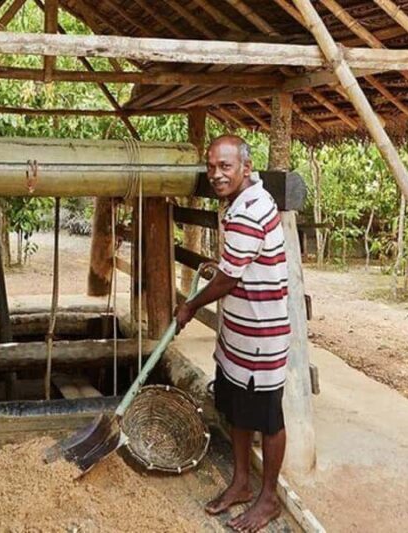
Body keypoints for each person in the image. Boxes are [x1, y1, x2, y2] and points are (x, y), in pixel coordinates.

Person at [175, 135, 289, 533]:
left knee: (268, 419)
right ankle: (241, 482)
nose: (216, 174)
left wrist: (190, 306)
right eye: (211, 167)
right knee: (238, 408)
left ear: (245, 166)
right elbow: (236, 264)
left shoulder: (249, 211)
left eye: (225, 166)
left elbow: (228, 279)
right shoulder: (242, 201)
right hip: (238, 332)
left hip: (260, 335)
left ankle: (269, 498)